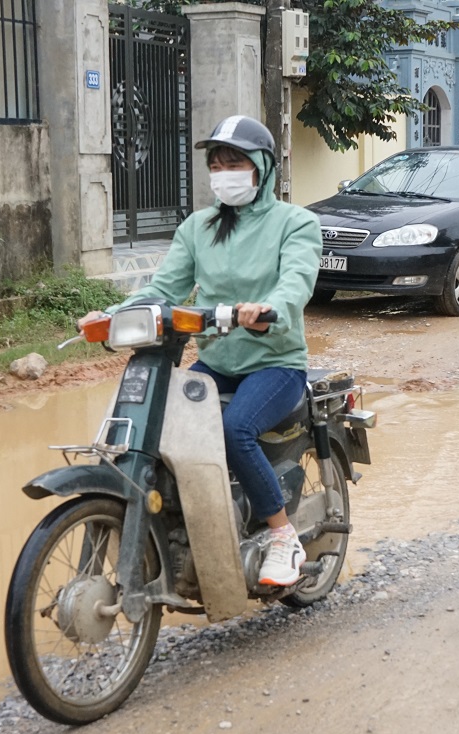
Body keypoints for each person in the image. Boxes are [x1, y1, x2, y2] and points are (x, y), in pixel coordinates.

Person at [81, 115, 322, 586]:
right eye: (216, 163)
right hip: (216, 361)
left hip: (274, 363)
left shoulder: (296, 222)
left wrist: (270, 307)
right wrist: (112, 313)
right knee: (156, 430)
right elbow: (164, 287)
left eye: (235, 162)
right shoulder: (199, 227)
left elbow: (296, 280)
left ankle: (282, 536)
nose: (224, 171)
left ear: (263, 168)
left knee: (235, 430)